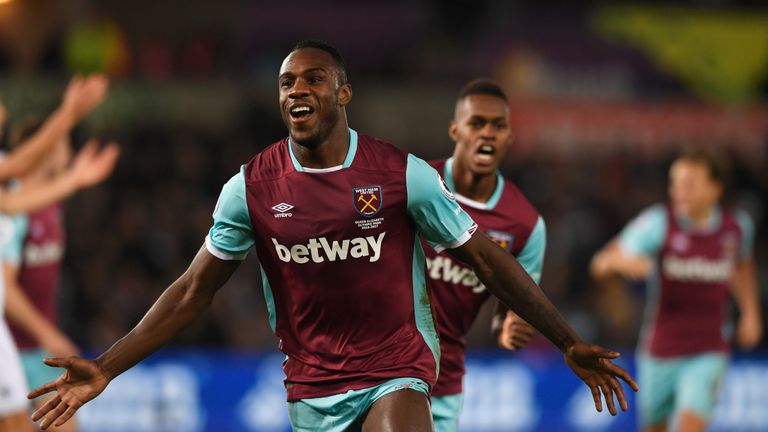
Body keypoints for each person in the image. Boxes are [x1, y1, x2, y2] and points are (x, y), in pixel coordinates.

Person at [29, 40, 637, 432]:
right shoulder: (251, 188)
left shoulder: (401, 176)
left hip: (396, 367)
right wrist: (106, 368)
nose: (298, 91)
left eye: (313, 80)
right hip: (312, 387)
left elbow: (486, 258)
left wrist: (565, 340)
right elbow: (192, 292)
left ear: (343, 93)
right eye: (288, 84)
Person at [590, 150, 762, 432]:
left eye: (690, 183)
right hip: (661, 349)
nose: (680, 192)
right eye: (675, 184)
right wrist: (622, 261)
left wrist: (751, 312)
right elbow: (600, 263)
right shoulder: (658, 224)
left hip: (709, 348)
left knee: (689, 426)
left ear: (714, 189)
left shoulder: (736, 229)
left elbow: (742, 266)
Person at [424, 79, 544, 432]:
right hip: (377, 366)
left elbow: (512, 309)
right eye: (477, 123)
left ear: (509, 137)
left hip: (444, 378)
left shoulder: (526, 224)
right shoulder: (417, 183)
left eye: (499, 125)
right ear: (455, 130)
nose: (487, 133)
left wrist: (507, 326)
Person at [0, 76, 115, 432]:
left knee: (20, 421)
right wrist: (68, 113)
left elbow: (11, 203)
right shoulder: (14, 176)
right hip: (22, 343)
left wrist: (73, 181)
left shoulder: (36, 204)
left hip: (17, 340)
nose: (3, 111)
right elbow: (16, 172)